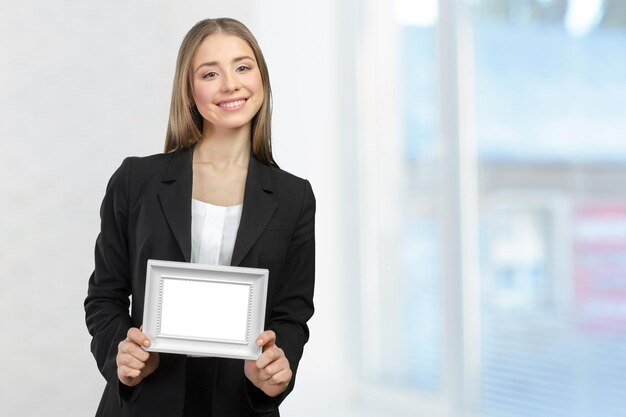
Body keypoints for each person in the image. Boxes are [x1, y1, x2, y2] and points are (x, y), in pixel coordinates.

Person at [84, 17, 315, 417]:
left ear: (262, 78)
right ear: (190, 92)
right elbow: (104, 297)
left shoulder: (294, 197)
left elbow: (291, 314)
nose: (230, 84)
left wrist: (278, 368)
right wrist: (123, 354)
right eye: (211, 73)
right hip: (146, 403)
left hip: (239, 404)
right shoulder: (136, 181)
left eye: (243, 67)